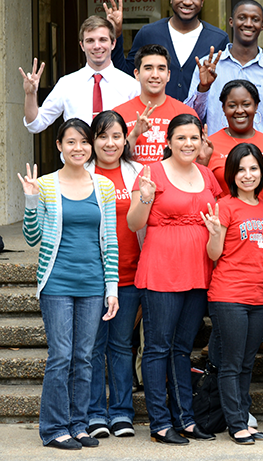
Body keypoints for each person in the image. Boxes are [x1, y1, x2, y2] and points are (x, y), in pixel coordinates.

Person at [19, 119, 119, 450]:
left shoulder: (103, 186)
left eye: (84, 142)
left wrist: (112, 288)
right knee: (61, 355)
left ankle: (79, 424)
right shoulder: (46, 185)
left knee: (85, 356)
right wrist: (31, 201)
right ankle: (53, 427)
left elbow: (111, 241)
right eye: (71, 142)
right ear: (59, 146)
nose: (79, 148)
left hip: (92, 283)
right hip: (57, 282)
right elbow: (32, 237)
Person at [126, 114, 222, 444]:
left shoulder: (208, 176)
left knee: (182, 349)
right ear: (169, 141)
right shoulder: (151, 172)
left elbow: (216, 224)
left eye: (193, 138)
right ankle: (160, 423)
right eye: (181, 138)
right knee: (156, 349)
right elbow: (134, 224)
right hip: (161, 272)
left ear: (201, 141)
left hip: (197, 273)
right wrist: (146, 197)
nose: (187, 144)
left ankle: (185, 418)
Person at [206, 79, 263, 360]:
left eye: (246, 104)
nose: (239, 110)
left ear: (257, 107)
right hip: (225, 240)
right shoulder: (211, 144)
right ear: (223, 108)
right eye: (232, 105)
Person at [202, 143, 263, 445]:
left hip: (258, 298)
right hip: (228, 295)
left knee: (247, 363)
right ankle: (236, 424)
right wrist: (214, 232)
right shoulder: (225, 206)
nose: (248, 175)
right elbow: (213, 254)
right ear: (232, 174)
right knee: (231, 363)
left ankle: (243, 417)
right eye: (241, 169)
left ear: (262, 171)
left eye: (254, 169)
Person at [86, 111, 143, 439]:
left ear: (126, 140)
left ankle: (121, 412)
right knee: (94, 348)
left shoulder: (137, 172)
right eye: (103, 136)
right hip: (93, 277)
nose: (110, 143)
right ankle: (95, 413)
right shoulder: (82, 173)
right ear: (93, 141)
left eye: (116, 136)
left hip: (131, 275)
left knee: (122, 346)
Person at [186, 0, 263, 136]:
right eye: (242, 18)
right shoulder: (208, 66)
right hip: (217, 154)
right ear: (231, 21)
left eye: (255, 19)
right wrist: (203, 89)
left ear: (262, 26)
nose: (248, 23)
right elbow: (190, 119)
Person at [108, 0, 229, 101]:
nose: (187, 2)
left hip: (199, 119)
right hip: (154, 117)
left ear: (202, 0)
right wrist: (116, 35)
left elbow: (225, 86)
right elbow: (125, 74)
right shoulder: (148, 33)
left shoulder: (218, 39)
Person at [21, 16, 139, 134]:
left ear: (113, 44)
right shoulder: (66, 84)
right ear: (82, 46)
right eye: (90, 41)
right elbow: (35, 125)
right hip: (77, 152)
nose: (97, 46)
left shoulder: (131, 86)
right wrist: (30, 94)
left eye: (103, 40)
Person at [113, 44, 200, 164]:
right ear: (137, 74)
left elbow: (193, 160)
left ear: (168, 75)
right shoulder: (118, 115)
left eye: (161, 68)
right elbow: (112, 159)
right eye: (148, 68)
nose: (155, 75)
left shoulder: (186, 113)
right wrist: (134, 134)